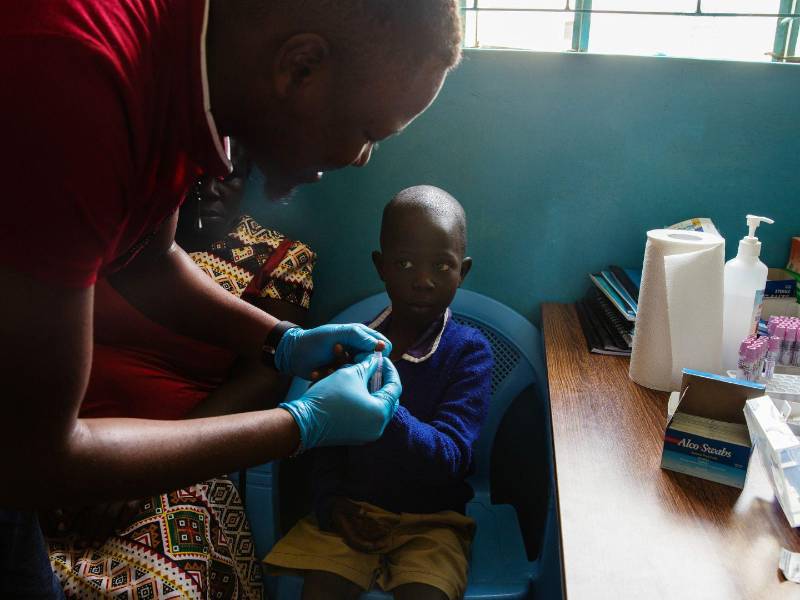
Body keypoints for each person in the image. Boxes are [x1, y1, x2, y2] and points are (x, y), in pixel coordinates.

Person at [0, 1, 462, 597]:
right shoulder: (75, 82)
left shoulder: (189, 72)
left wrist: (281, 342)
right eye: (368, 133)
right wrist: (300, 425)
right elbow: (34, 461)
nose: (360, 159)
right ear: (301, 68)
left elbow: (146, 259)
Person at [264, 186, 494, 600]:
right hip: (354, 510)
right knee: (320, 591)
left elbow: (453, 458)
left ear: (464, 270)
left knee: (427, 593)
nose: (423, 281)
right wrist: (331, 503)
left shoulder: (469, 351)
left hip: (434, 521)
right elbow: (326, 443)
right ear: (381, 266)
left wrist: (383, 412)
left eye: (442, 265)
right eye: (404, 263)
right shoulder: (354, 346)